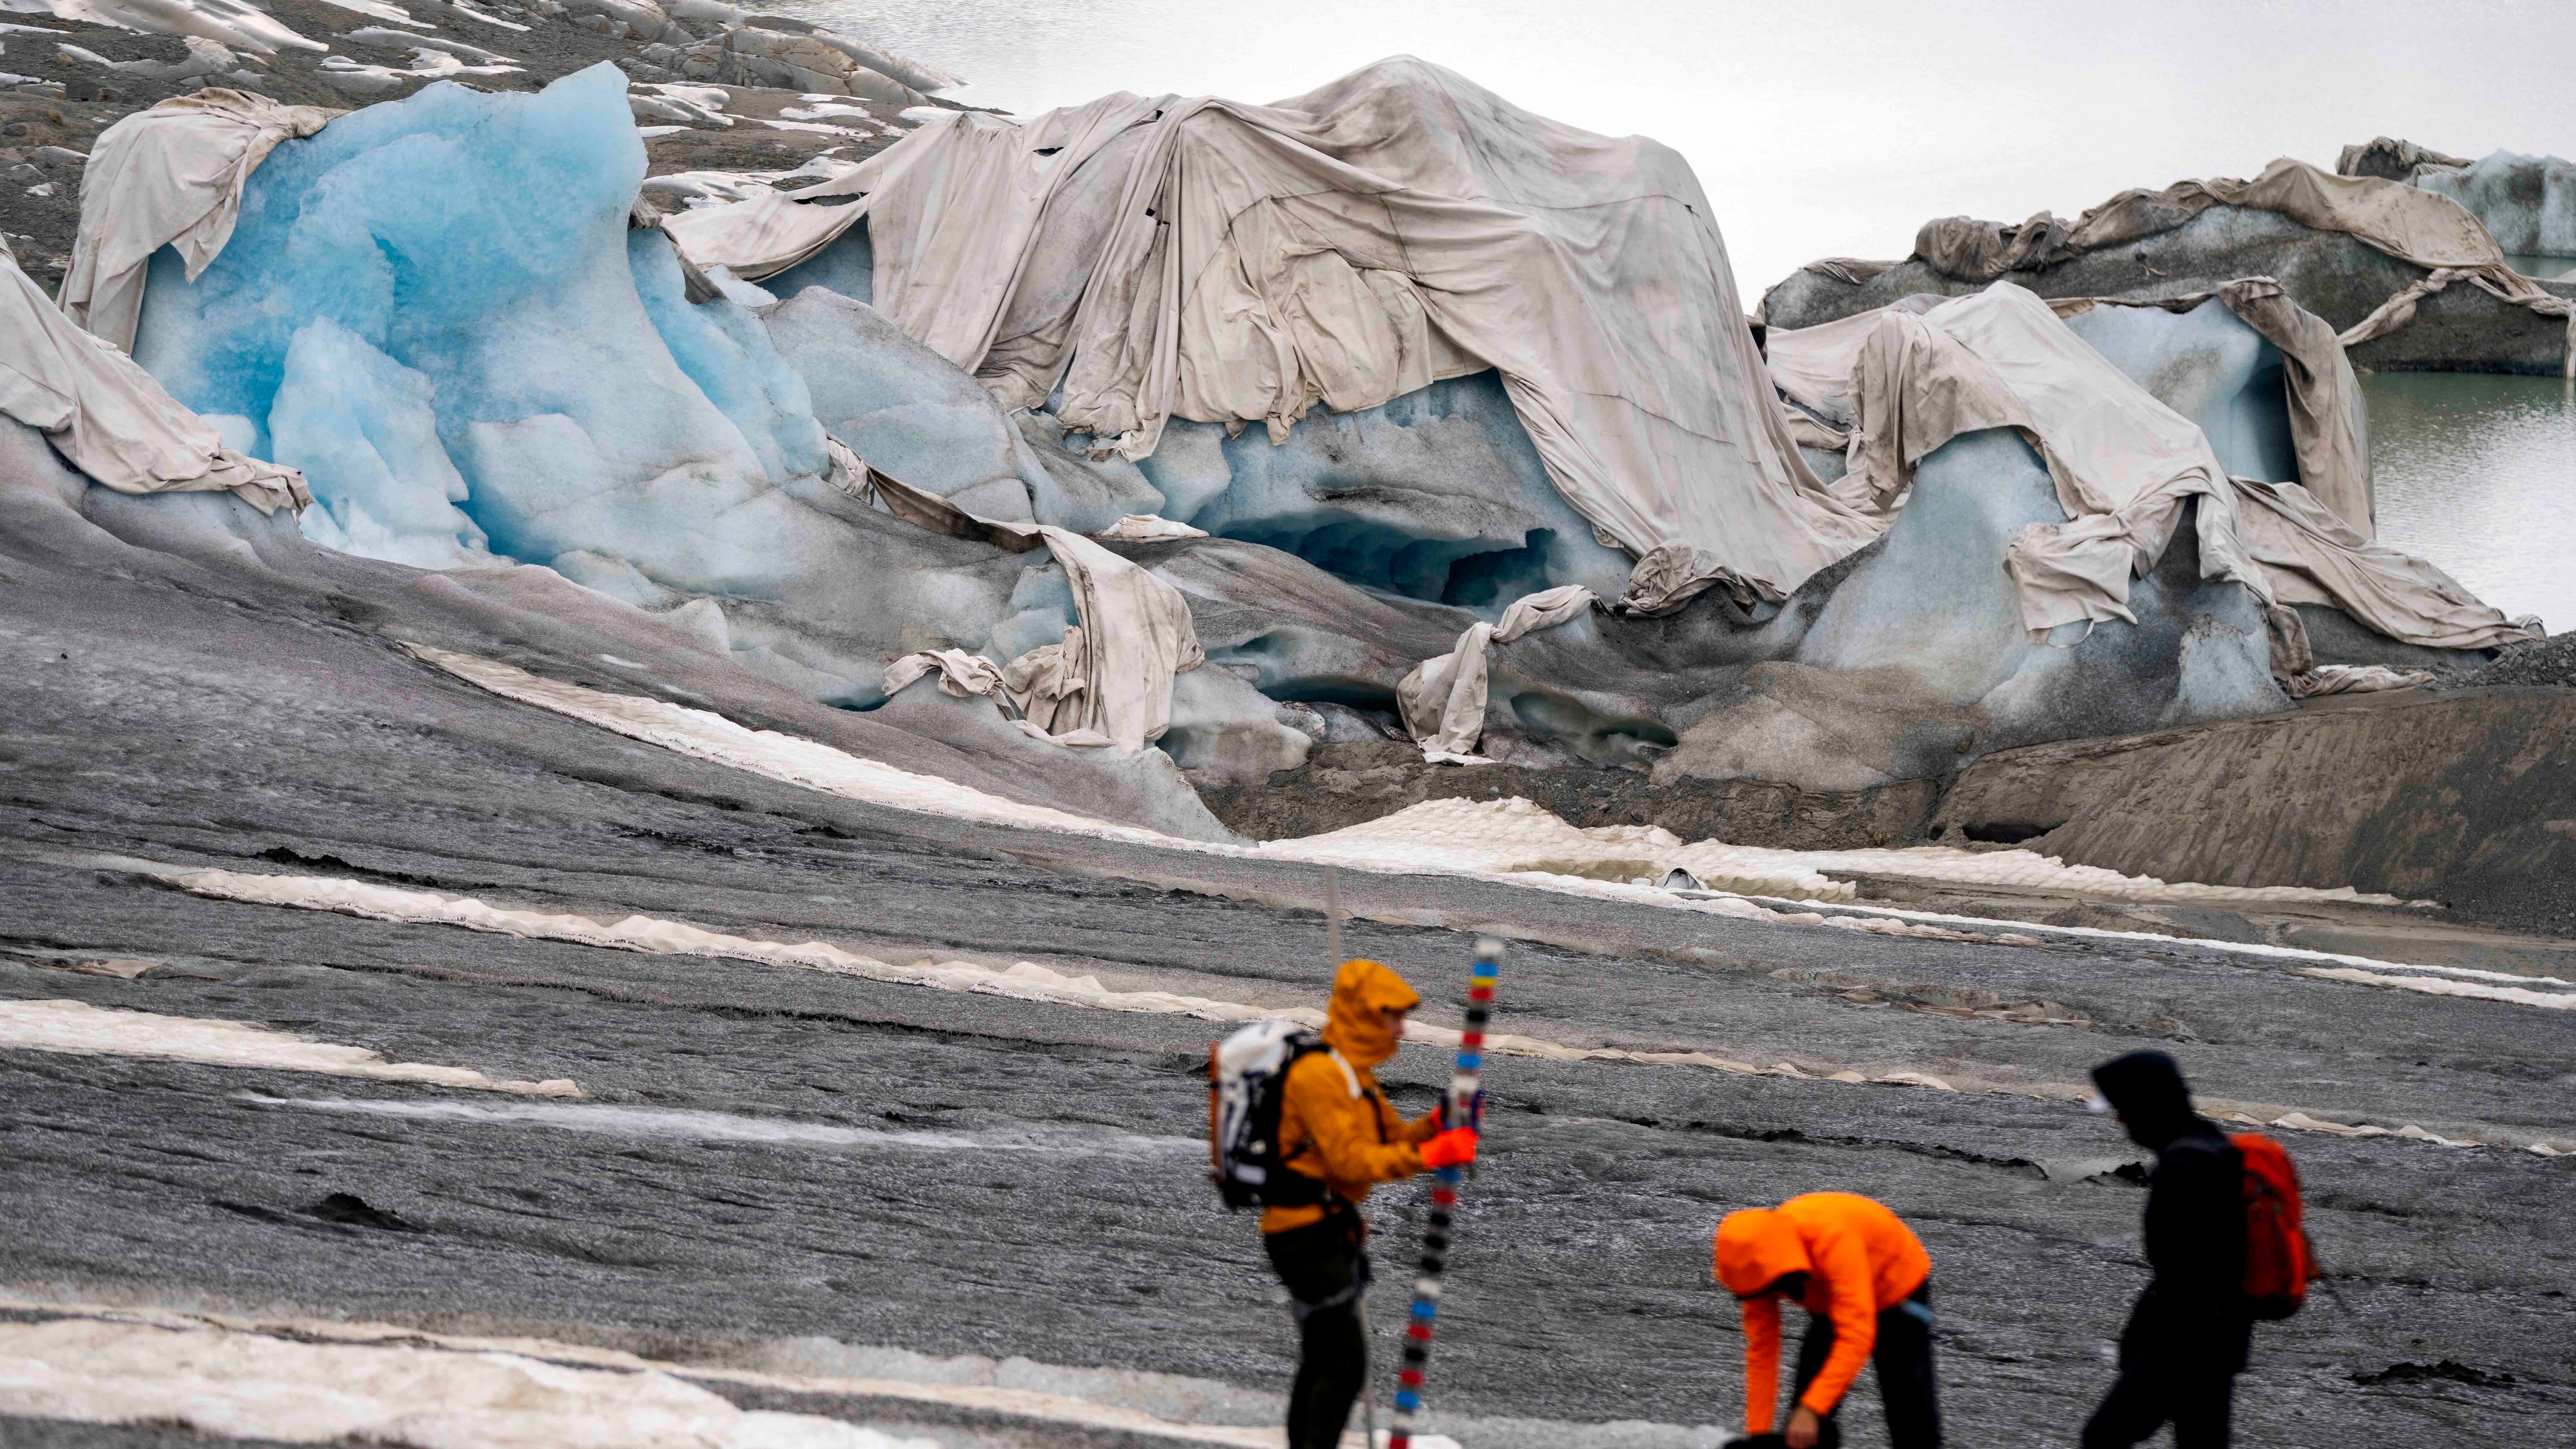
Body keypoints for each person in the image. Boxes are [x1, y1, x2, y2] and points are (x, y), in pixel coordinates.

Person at [1263, 958, 1480, 1449]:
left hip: (1328, 1230)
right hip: (1301, 1234)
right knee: (1343, 1363)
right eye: (1394, 1015)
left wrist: (1437, 1122)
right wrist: (1432, 1153)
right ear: (1365, 1014)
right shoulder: (1321, 1074)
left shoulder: (1356, 1076)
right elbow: (1352, 1162)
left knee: (1324, 1356)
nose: (1403, 1028)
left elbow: (1392, 1140)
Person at [2082, 1051, 2249, 1449]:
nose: (2120, 1121)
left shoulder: (2183, 1164)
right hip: (2225, 1334)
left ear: (2148, 1105)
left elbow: (2189, 1270)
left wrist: (2152, 1349)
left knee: (2103, 1438)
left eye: (2124, 1109)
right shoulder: (2215, 1143)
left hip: (2187, 1341)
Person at [1713, 1192, 1940, 1449]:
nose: (1777, 1296)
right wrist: (1758, 1435)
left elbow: (1857, 1336)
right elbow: (1763, 1351)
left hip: (1896, 1296)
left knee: (1911, 1421)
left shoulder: (1832, 1238)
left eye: (1781, 1287)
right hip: (1832, 1303)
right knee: (1803, 1433)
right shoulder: (1755, 1267)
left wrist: (1812, 1409)